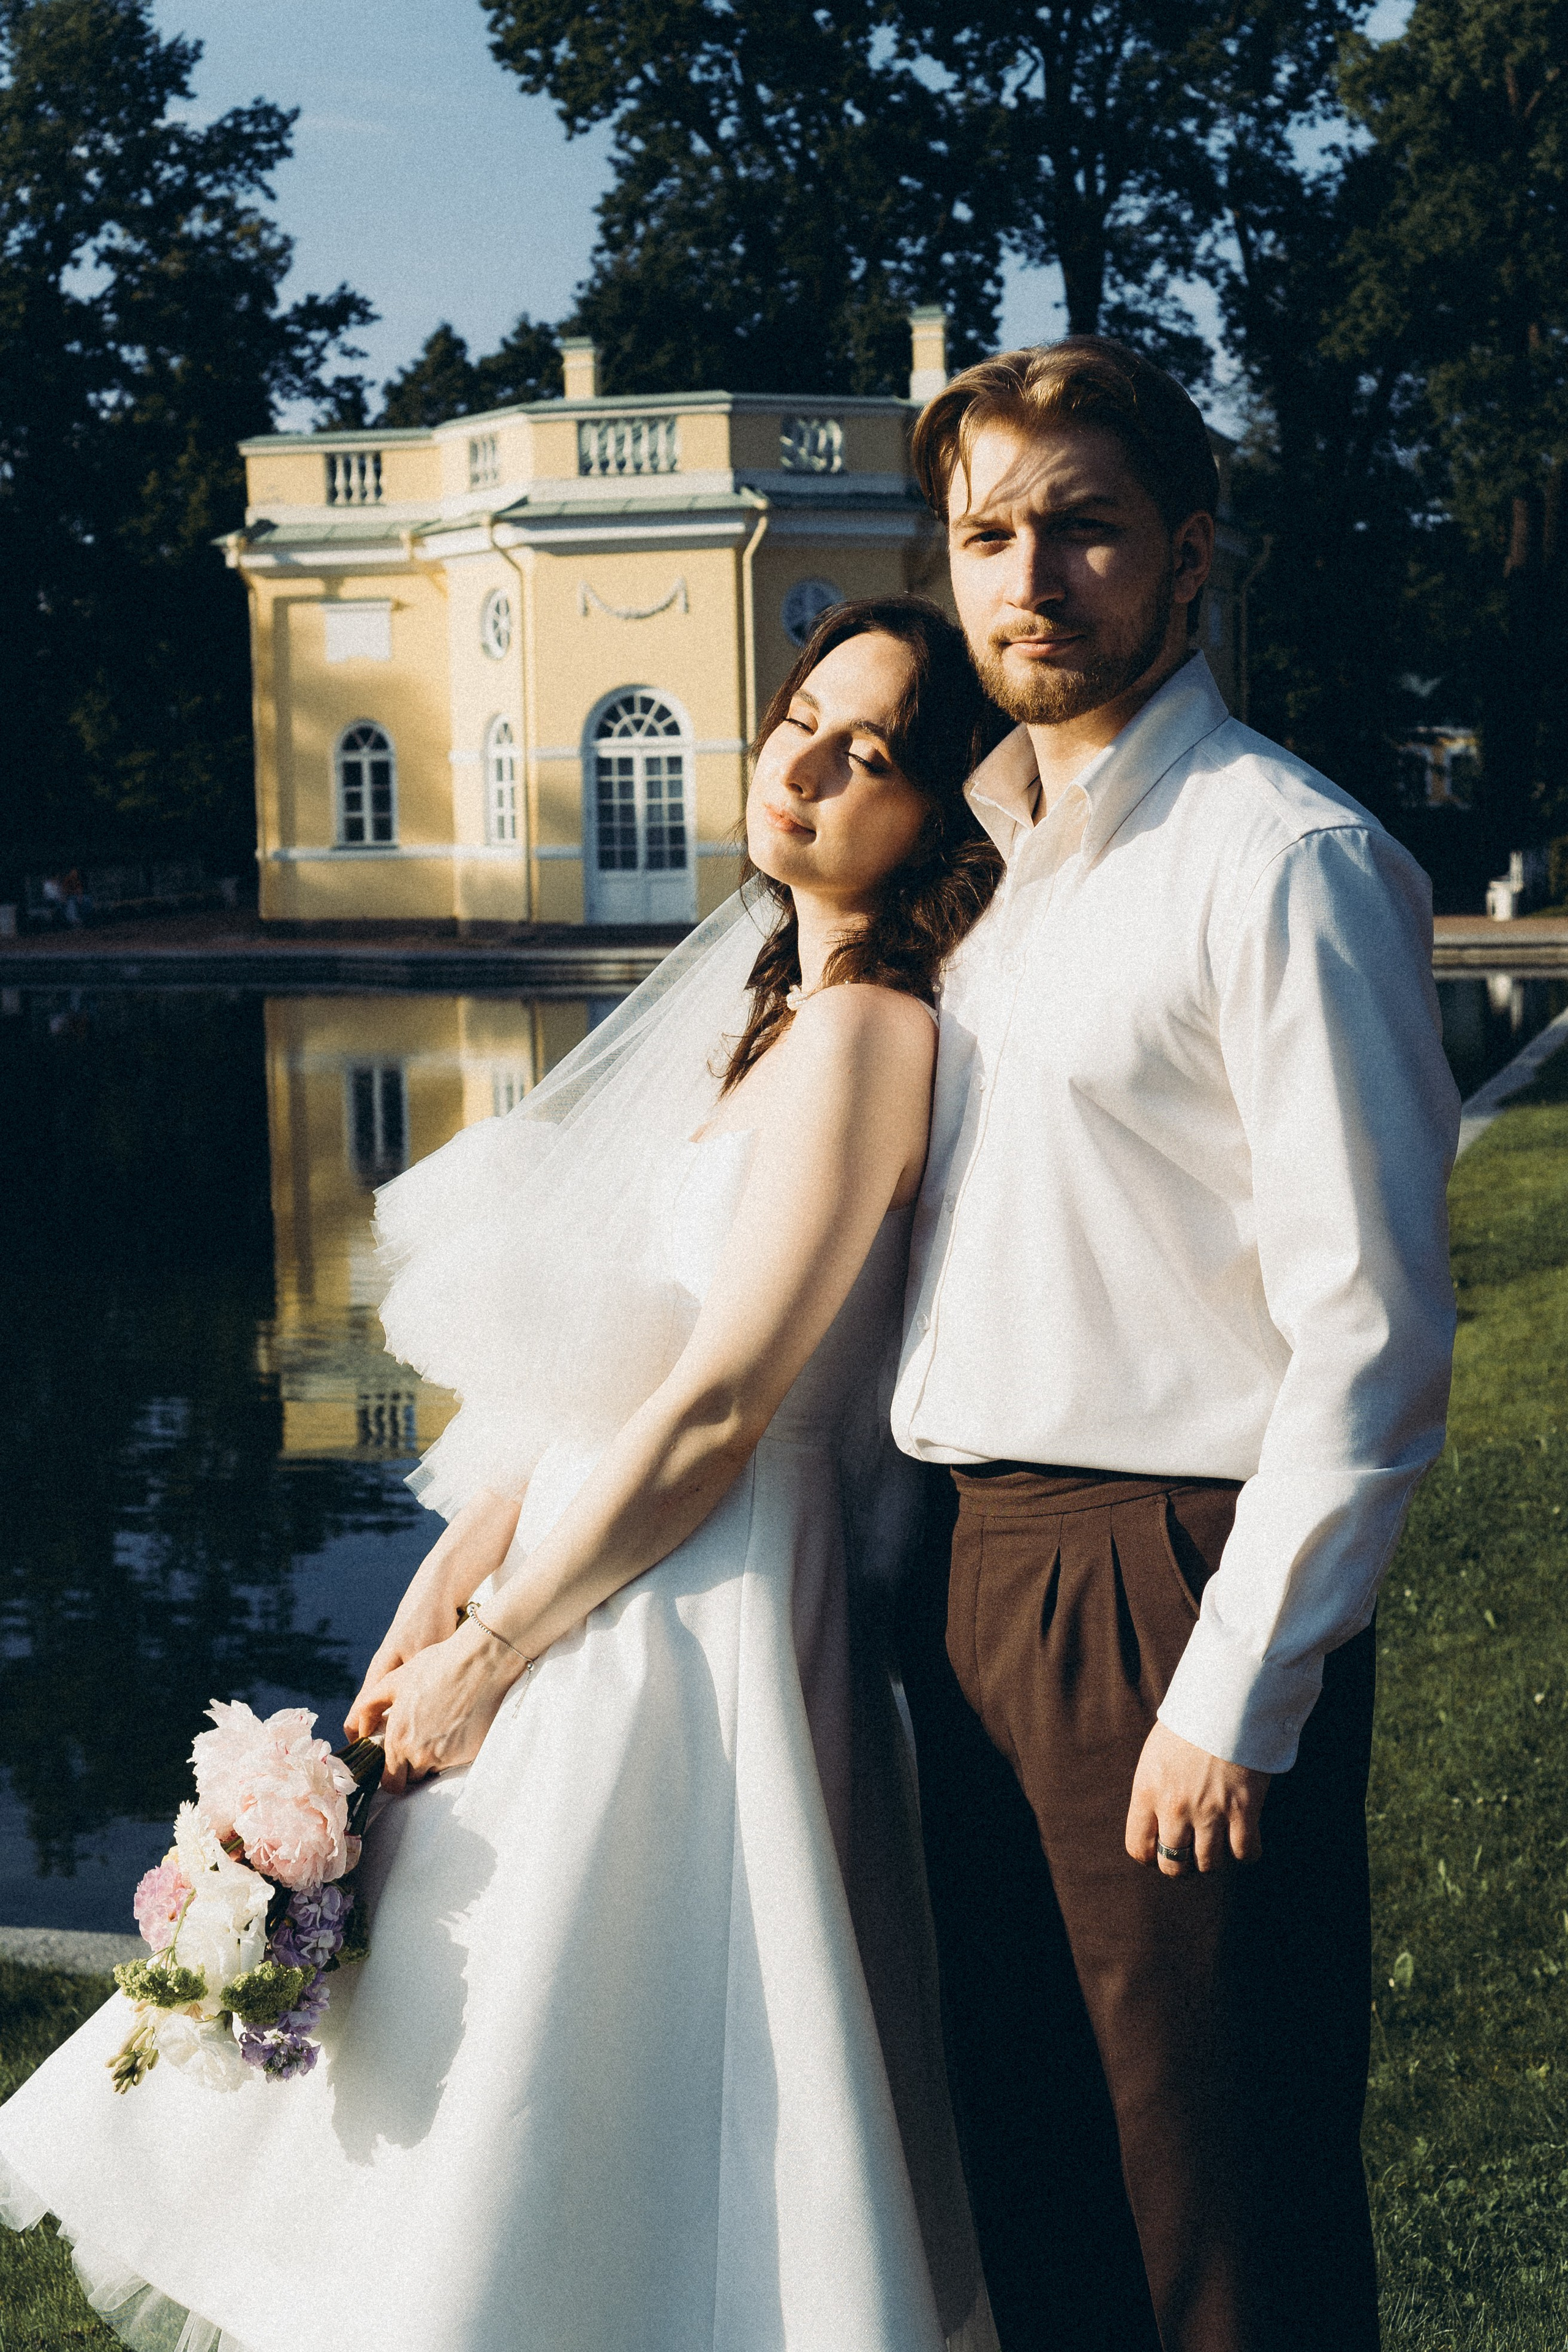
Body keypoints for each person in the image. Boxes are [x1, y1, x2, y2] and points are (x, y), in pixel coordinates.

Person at [0, 598, 1005, 2352]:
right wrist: (440, 1590)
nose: (814, 769)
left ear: (937, 814)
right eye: (801, 718)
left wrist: (501, 1643)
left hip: (714, 1603)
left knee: (613, 2058)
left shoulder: (869, 1038)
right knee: (491, 2041)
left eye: (877, 755)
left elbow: (719, 1404)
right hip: (610, 1556)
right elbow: (607, 1380)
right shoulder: (773, 1020)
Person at [891, 340, 1460, 2352]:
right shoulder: (993, 870)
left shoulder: (1278, 861)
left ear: (1188, 554)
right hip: (970, 1575)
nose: (1030, 575)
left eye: (1084, 527)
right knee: (1036, 2178)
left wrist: (1237, 1683)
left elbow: (1374, 1327)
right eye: (986, 535)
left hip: (1163, 1579)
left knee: (1216, 2201)